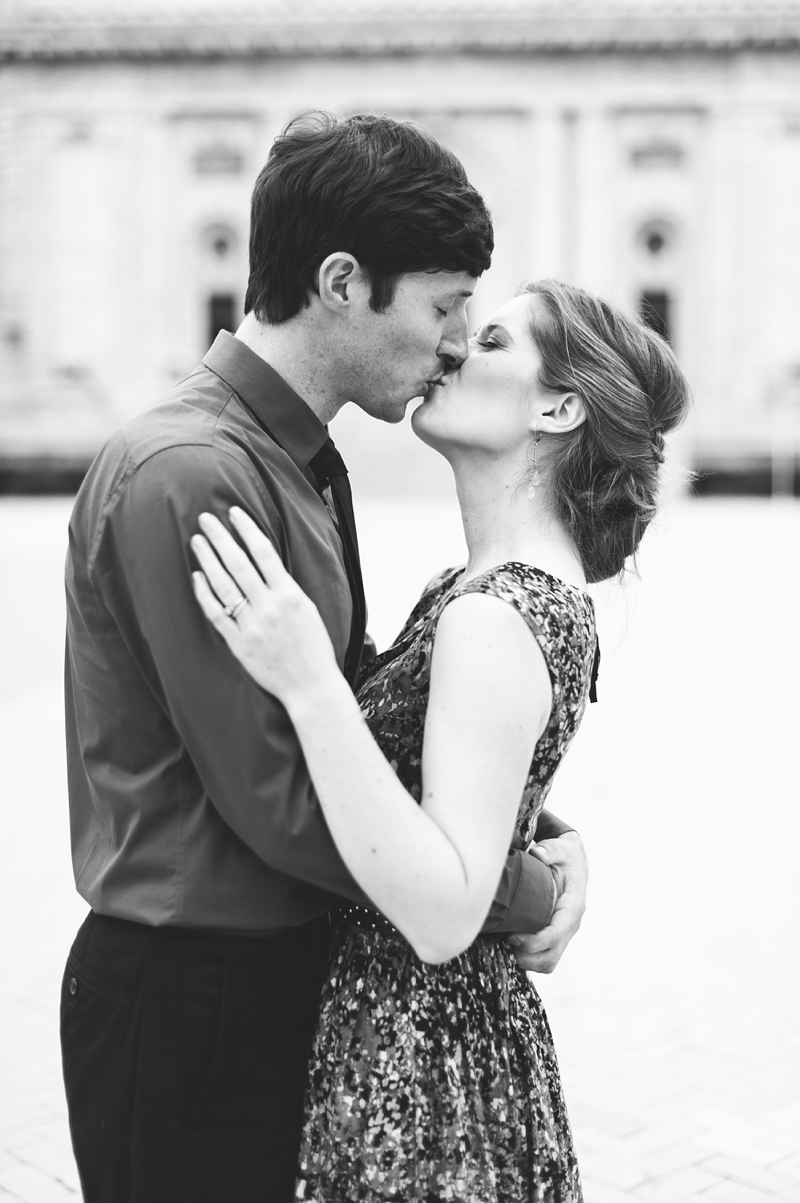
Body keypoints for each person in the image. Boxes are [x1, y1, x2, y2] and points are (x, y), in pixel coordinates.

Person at [61, 112, 589, 1203]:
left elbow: (353, 717)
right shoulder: (192, 474)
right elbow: (279, 800)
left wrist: (537, 828)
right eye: (445, 308)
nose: (453, 341)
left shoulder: (301, 461)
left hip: (280, 980)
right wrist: (517, 890)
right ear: (343, 282)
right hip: (191, 993)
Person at [189, 278, 690, 1201]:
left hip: (424, 1070)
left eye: (493, 340)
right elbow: (455, 784)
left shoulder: (496, 614)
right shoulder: (477, 589)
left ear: (558, 406)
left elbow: (447, 906)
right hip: (431, 1043)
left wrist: (307, 679)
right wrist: (546, 837)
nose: (456, 348)